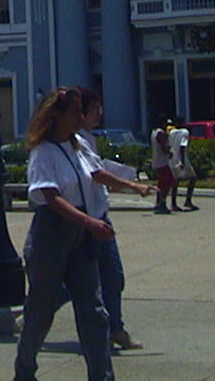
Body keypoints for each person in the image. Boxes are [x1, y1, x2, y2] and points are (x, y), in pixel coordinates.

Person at [13, 88, 117, 381]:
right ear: (56, 115)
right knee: (40, 310)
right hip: (52, 233)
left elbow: (95, 176)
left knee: (94, 311)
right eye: (74, 112)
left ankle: (102, 376)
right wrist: (89, 222)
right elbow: (51, 198)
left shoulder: (78, 147)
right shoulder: (43, 151)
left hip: (81, 237)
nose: (80, 118)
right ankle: (24, 371)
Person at [75, 88, 155, 352]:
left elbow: (100, 168)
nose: (101, 112)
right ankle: (33, 318)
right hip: (89, 222)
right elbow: (97, 173)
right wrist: (133, 185)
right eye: (95, 107)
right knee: (91, 280)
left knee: (109, 278)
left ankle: (115, 329)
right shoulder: (76, 141)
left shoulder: (87, 139)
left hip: (99, 218)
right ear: (81, 113)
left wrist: (130, 176)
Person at [168, 115, 199, 211]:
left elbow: (169, 144)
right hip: (182, 158)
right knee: (193, 178)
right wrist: (183, 161)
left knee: (175, 181)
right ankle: (188, 200)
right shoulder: (185, 132)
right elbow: (183, 146)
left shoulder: (171, 132)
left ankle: (173, 203)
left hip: (172, 158)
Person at [150, 116, 174, 215]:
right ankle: (161, 202)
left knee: (166, 181)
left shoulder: (153, 132)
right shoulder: (160, 133)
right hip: (162, 161)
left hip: (158, 160)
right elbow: (163, 146)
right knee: (165, 183)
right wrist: (169, 151)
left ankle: (160, 201)